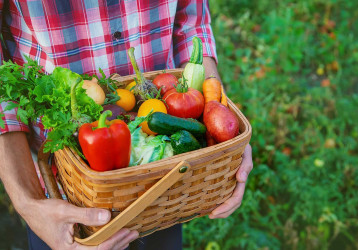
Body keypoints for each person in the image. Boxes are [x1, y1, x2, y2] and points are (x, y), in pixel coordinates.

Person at [0, 0, 253, 249]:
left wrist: (224, 134)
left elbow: (191, 25)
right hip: (63, 202)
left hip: (167, 185)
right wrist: (29, 204)